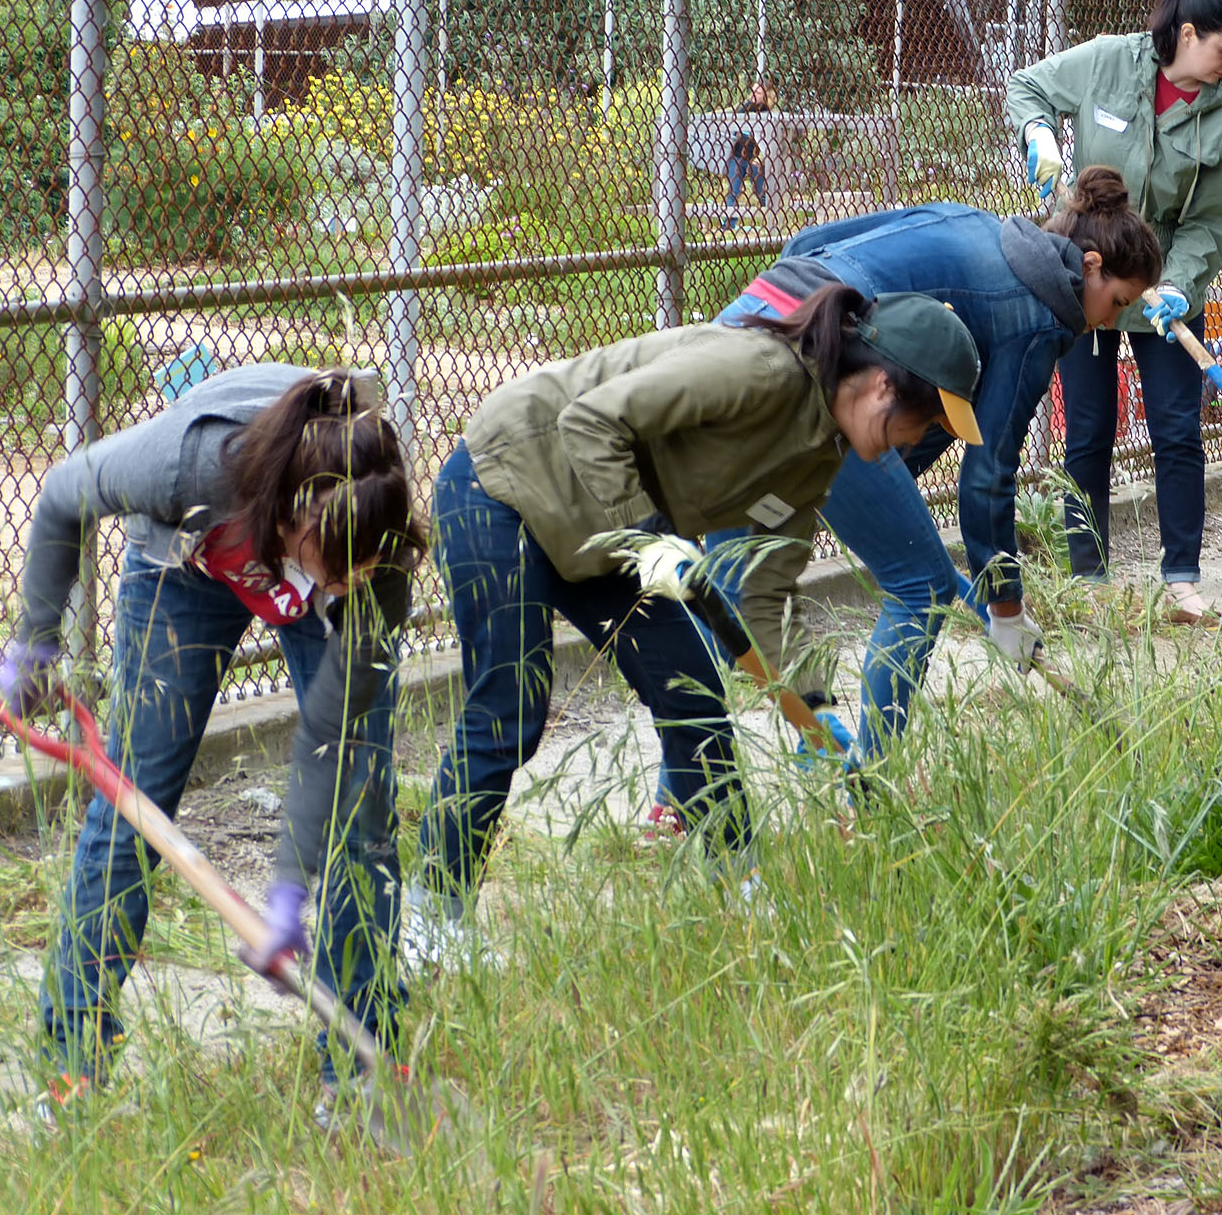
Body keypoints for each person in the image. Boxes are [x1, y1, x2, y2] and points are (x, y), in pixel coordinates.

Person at [404, 288, 982, 959]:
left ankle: (742, 893)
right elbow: (590, 421)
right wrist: (653, 538)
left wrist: (811, 707)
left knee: (694, 694)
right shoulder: (755, 370)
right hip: (508, 482)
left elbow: (762, 593)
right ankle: (431, 919)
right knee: (511, 707)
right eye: (925, 420)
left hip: (609, 526)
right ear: (883, 385)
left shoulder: (817, 457)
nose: (919, 440)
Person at [0, 365, 422, 1117]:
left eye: (365, 572)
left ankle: (360, 1072)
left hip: (287, 564)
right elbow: (62, 493)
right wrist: (36, 642)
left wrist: (288, 889)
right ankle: (72, 1069)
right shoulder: (190, 462)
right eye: (339, 570)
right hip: (188, 565)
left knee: (363, 815)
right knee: (132, 803)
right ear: (293, 518)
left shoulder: (374, 563)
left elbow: (331, 737)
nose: (350, 584)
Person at [681, 167, 1162, 782]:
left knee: (733, 585)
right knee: (922, 589)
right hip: (819, 371)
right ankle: (870, 784)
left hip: (752, 325)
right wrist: (1007, 607)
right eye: (1117, 302)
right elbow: (988, 475)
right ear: (1090, 266)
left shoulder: (972, 222)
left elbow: (809, 243)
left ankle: (688, 795)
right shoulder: (1040, 317)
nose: (1111, 322)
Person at [1006, 0, 1222, 624]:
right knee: (1088, 431)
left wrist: (1178, 284)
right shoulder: (1108, 62)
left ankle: (1182, 583)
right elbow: (1028, 86)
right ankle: (1088, 580)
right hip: (1087, 277)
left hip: (1166, 286)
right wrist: (1038, 132)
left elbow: (1214, 221)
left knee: (1178, 431)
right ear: (1187, 33)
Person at [724, 79, 774, 222]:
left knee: (762, 193)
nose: (753, 94)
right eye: (753, 90)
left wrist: (761, 157)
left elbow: (769, 141)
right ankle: (729, 225)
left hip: (755, 158)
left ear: (765, 96)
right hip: (738, 155)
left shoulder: (766, 113)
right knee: (733, 192)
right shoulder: (743, 108)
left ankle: (771, 221)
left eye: (758, 92)